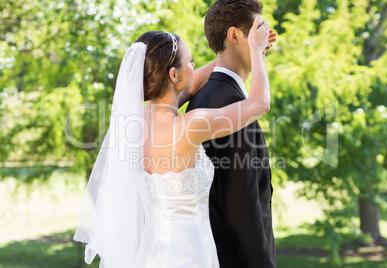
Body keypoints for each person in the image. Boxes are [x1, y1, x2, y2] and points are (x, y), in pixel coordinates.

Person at [74, 18, 273, 267]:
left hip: (153, 253)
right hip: (189, 254)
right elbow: (259, 104)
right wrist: (253, 49)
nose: (194, 66)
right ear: (173, 74)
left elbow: (197, 79)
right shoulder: (190, 125)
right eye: (190, 61)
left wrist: (239, 48)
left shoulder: (136, 123)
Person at [186, 0, 278, 267]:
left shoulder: (204, 95)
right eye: (258, 29)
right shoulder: (232, 106)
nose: (264, 39)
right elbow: (243, 209)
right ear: (235, 36)